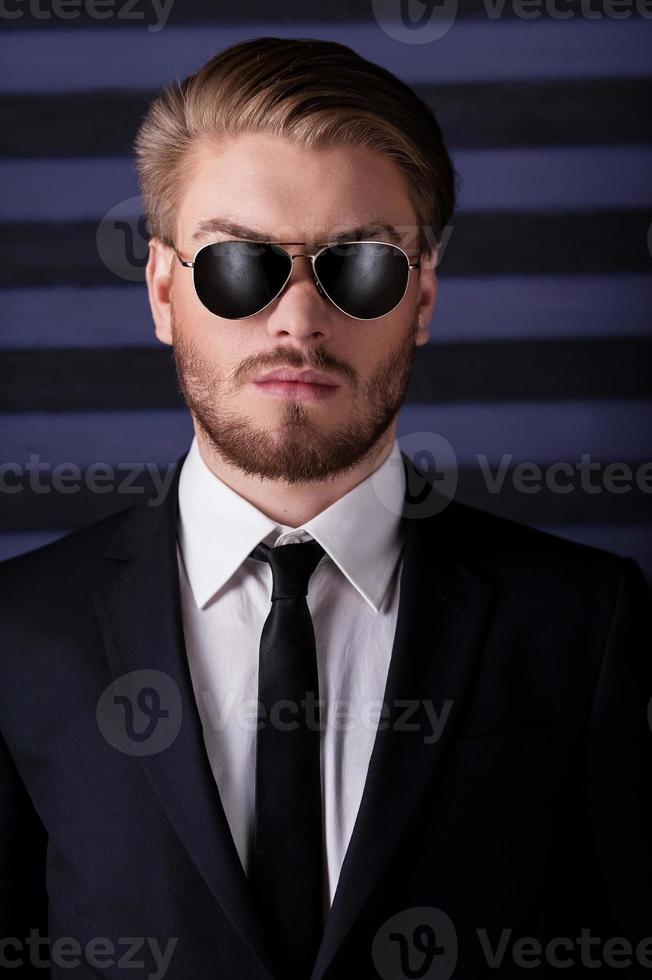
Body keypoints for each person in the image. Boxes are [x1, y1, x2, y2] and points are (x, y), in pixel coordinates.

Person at [1, 36, 650, 980]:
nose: (299, 321)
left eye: (360, 266)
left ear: (422, 294)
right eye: (237, 264)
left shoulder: (588, 626)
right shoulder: (18, 636)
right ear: (162, 288)